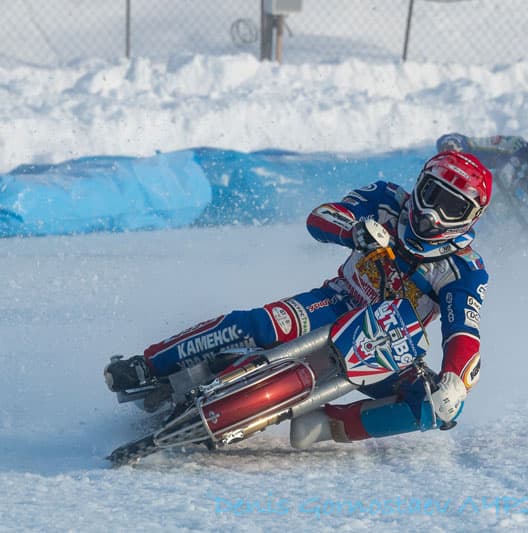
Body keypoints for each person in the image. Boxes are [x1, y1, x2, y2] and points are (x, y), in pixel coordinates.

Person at [104, 151, 492, 449]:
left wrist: (454, 381)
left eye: (452, 207)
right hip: (336, 301)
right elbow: (321, 217)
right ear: (419, 184)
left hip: (386, 346)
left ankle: (325, 425)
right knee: (257, 324)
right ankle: (149, 363)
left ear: (471, 217)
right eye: (431, 195)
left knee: (440, 409)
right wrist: (354, 230)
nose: (434, 215)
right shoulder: (386, 199)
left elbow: (463, 333)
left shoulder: (464, 269)